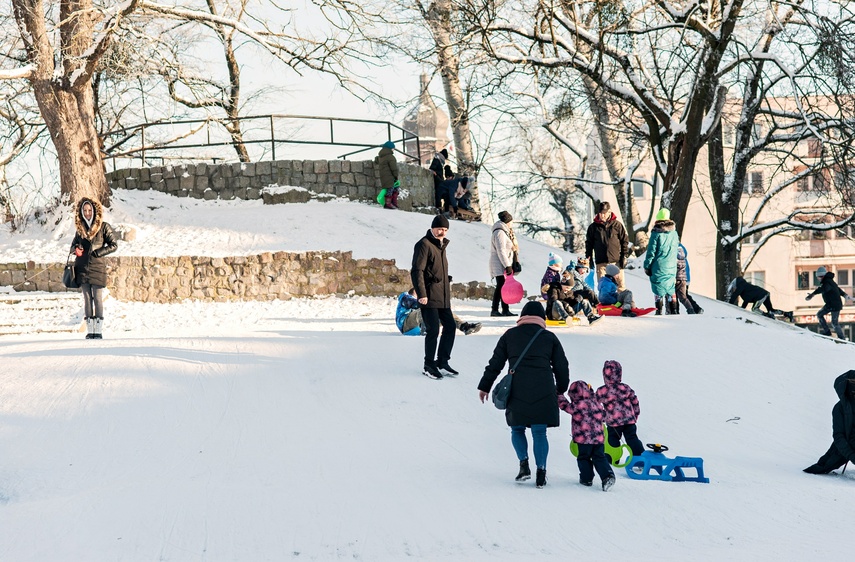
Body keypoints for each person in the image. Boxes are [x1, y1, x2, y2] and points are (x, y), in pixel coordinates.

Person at [477, 301, 570, 488]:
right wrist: (561, 388)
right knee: (539, 432)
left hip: (517, 388)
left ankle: (523, 466)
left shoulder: (509, 336)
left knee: (517, 428)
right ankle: (541, 471)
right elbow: (561, 366)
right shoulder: (549, 337)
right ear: (541, 318)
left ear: (523, 316)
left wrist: (485, 386)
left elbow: (495, 363)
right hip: (544, 387)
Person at [411, 214, 457, 379]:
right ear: (432, 228)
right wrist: (421, 294)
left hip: (442, 296)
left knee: (450, 326)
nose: (442, 232)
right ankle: (429, 365)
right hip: (429, 296)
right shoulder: (424, 244)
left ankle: (442, 361)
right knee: (433, 331)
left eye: (445, 229)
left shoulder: (441, 245)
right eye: (439, 229)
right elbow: (417, 271)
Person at [70, 197, 118, 339]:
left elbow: (113, 245)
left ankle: (98, 331)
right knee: (86, 298)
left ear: (95, 211)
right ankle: (90, 331)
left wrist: (99, 252)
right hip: (82, 267)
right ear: (81, 212)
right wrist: (76, 249)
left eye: (90, 210)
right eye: (85, 211)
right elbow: (72, 246)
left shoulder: (104, 227)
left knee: (97, 298)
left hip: (97, 267)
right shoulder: (80, 229)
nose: (87, 213)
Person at [557, 380, 616, 491]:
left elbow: (565, 406)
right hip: (598, 439)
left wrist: (559, 396)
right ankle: (607, 476)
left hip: (583, 440)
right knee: (599, 457)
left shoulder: (577, 405)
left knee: (583, 458)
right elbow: (605, 416)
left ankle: (586, 479)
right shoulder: (596, 404)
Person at [803, 371, 855, 474]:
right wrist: (853, 456)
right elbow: (839, 437)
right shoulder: (839, 408)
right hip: (846, 447)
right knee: (825, 465)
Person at [595, 360, 644, 461]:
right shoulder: (625, 388)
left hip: (614, 422)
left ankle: (612, 458)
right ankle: (640, 459)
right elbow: (634, 400)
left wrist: (603, 417)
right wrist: (635, 414)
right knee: (632, 439)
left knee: (612, 440)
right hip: (629, 420)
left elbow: (595, 405)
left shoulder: (602, 391)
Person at [396, 288, 481, 336]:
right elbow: (413, 303)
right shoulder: (405, 296)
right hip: (406, 325)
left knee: (443, 312)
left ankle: (464, 327)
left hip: (417, 327)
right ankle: (426, 330)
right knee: (425, 308)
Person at [586, 201, 629, 291]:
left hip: (616, 262)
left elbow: (624, 241)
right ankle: (606, 304)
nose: (602, 215)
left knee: (620, 287)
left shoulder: (617, 225)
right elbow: (589, 244)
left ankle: (620, 304)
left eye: (604, 213)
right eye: (600, 213)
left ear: (609, 212)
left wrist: (624, 256)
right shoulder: (593, 228)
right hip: (601, 263)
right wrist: (588, 258)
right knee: (603, 287)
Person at [643, 208, 679, 315]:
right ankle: (674, 310)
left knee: (658, 288)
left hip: (658, 266)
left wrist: (647, 266)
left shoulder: (656, 233)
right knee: (671, 288)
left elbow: (651, 252)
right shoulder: (674, 233)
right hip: (671, 266)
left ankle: (659, 310)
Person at [806, 266, 852, 338]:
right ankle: (828, 332)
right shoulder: (830, 281)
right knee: (821, 315)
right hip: (831, 304)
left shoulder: (827, 282)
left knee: (833, 322)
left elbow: (823, 289)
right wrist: (845, 295)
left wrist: (812, 294)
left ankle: (840, 337)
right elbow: (838, 289)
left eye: (818, 277)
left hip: (834, 305)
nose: (818, 279)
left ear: (821, 276)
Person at [489, 211, 519, 317]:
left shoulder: (504, 232)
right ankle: (495, 309)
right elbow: (501, 250)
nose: (511, 224)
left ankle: (505, 309)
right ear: (507, 222)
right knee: (500, 285)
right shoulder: (499, 233)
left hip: (503, 263)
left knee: (503, 286)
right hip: (498, 263)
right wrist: (507, 265)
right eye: (511, 222)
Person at [675, 243, 703, 314]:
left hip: (679, 276)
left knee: (679, 295)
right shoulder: (681, 249)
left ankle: (695, 309)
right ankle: (695, 309)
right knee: (684, 295)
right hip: (686, 276)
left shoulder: (673, 247)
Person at [540, 252, 566, 321]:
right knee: (556, 297)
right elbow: (551, 285)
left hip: (553, 291)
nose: (561, 265)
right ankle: (553, 312)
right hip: (546, 292)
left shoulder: (555, 272)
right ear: (555, 264)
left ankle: (559, 311)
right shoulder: (550, 273)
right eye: (560, 263)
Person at [374, 141, 399, 209]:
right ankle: (388, 204)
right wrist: (396, 175)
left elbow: (376, 160)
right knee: (391, 189)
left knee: (392, 188)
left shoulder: (381, 156)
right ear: (390, 148)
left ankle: (392, 203)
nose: (394, 150)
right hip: (390, 176)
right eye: (393, 148)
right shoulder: (391, 157)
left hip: (383, 176)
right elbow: (393, 168)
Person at [428, 148, 449, 213]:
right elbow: (432, 169)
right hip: (438, 179)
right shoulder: (437, 159)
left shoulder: (438, 160)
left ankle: (443, 207)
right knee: (440, 193)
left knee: (444, 193)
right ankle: (439, 207)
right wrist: (436, 175)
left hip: (439, 179)